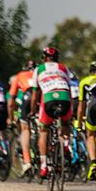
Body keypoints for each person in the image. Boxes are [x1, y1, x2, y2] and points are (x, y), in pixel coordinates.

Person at [29, 46, 74, 180]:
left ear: (43, 57)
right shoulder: (63, 67)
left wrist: (32, 111)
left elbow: (35, 94)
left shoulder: (39, 69)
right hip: (65, 97)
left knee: (43, 131)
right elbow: (69, 88)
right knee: (65, 125)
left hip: (48, 98)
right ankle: (66, 145)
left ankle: (43, 166)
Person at [7, 59, 37, 176]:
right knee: (45, 127)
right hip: (41, 96)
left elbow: (11, 102)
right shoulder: (40, 73)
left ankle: (27, 161)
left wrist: (10, 118)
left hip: (28, 96)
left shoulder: (20, 76)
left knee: (25, 130)